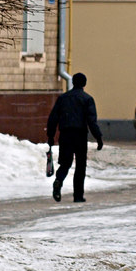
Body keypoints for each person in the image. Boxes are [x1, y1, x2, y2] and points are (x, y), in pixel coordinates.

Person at [47, 72, 102, 202]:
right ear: (84, 84)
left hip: (65, 134)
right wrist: (98, 137)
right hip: (80, 135)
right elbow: (92, 121)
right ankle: (78, 195)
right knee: (80, 166)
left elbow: (53, 118)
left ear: (72, 82)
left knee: (65, 163)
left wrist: (50, 136)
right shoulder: (87, 99)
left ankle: (59, 180)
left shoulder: (63, 98)